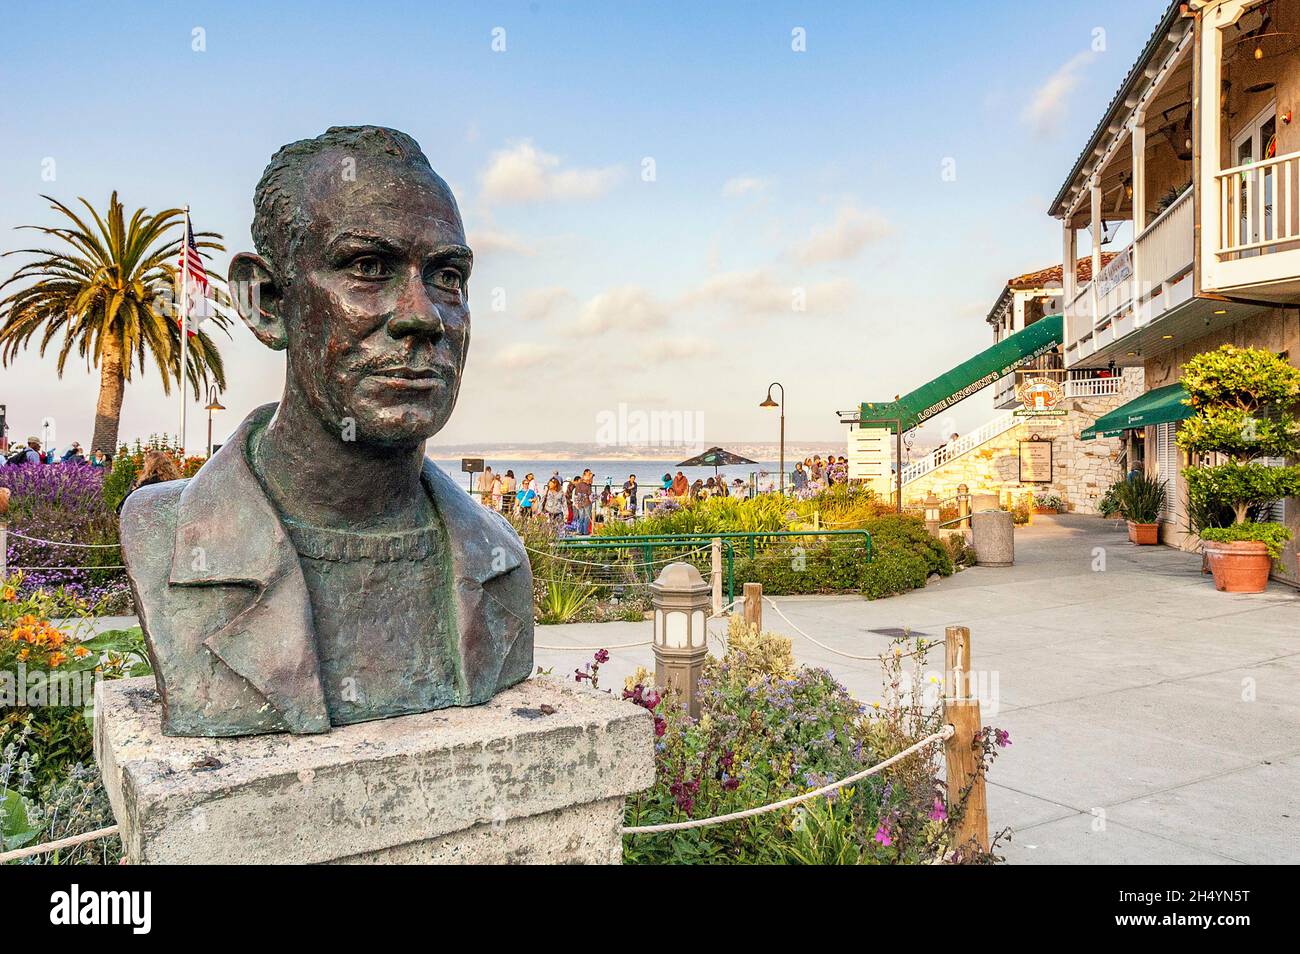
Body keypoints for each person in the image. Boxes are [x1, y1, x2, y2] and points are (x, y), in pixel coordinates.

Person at [118, 125, 532, 737]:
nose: (422, 316)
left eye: (447, 277)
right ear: (265, 302)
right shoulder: (166, 539)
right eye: (368, 267)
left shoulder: (498, 558)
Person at [573, 468, 594, 534]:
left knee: (582, 517)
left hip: (581, 502)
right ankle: (585, 531)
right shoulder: (587, 485)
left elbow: (576, 494)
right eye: (589, 474)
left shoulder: (579, 484)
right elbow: (590, 494)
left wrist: (576, 503)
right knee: (586, 517)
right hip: (586, 502)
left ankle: (580, 531)